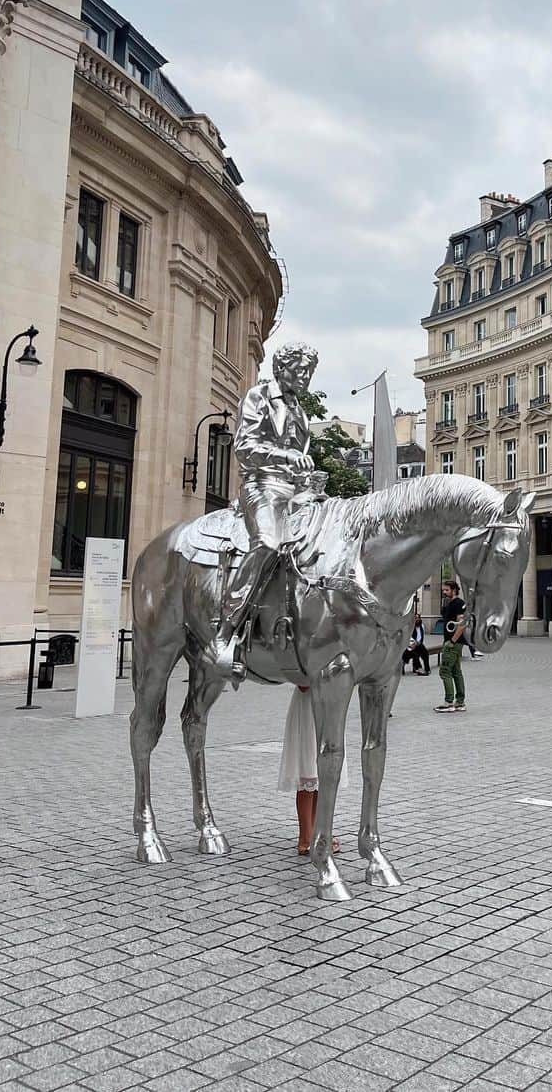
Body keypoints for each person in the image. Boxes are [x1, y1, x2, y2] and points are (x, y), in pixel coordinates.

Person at [212, 342, 320, 682]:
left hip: (297, 490)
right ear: (282, 368)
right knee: (269, 543)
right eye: (300, 370)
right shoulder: (259, 396)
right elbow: (244, 447)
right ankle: (228, 629)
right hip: (263, 485)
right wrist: (288, 458)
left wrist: (310, 479)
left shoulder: (300, 410)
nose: (305, 377)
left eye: (310, 372)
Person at [277, 685, 339, 856]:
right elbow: (303, 683)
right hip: (309, 708)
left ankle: (317, 832)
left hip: (328, 705)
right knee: (308, 772)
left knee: (321, 776)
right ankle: (305, 838)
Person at [434, 580, 468, 713]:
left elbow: (462, 623)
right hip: (454, 642)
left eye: (446, 590)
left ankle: (449, 702)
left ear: (454, 590)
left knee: (445, 671)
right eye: (443, 590)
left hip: (453, 643)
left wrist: (452, 641)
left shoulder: (458, 604)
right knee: (456, 672)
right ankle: (459, 702)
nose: (444, 592)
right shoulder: (451, 604)